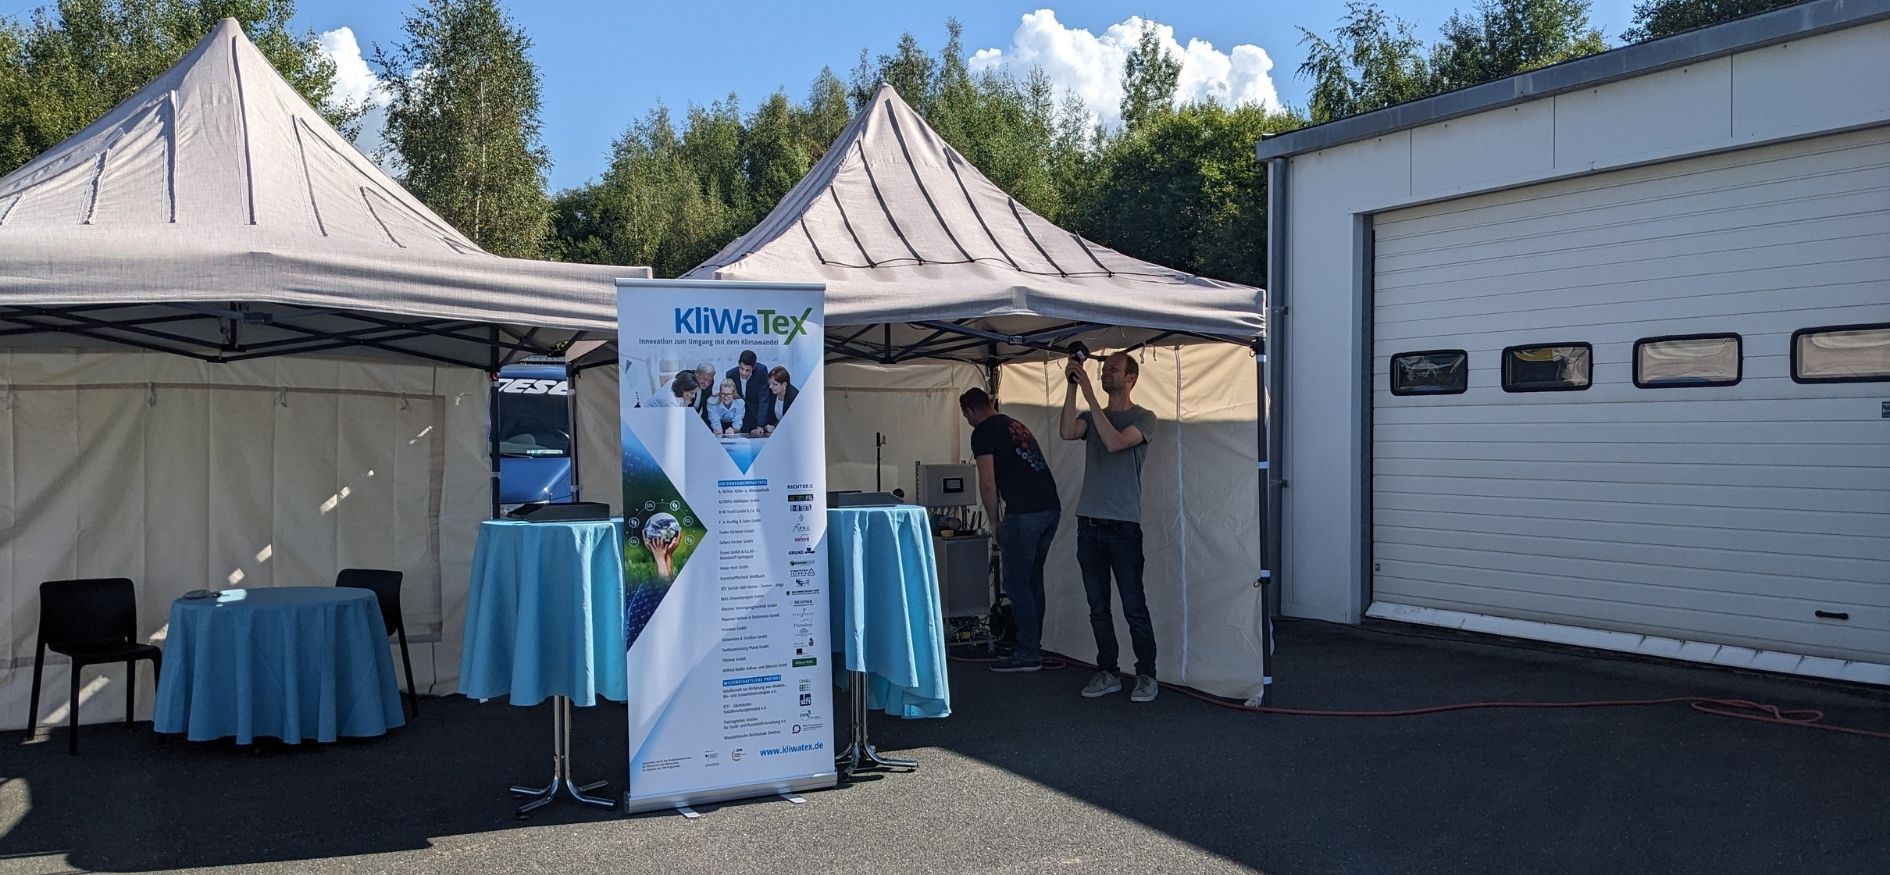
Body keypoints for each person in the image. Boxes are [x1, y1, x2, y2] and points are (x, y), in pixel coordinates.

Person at [1060, 351, 1159, 703]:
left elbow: (1115, 443)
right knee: (1097, 606)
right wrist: (1072, 386)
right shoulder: (1091, 416)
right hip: (1089, 524)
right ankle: (1108, 672)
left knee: (1134, 606)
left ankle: (1147, 674)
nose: (1104, 374)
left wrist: (1088, 392)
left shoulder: (1144, 417)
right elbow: (1066, 431)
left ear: (1131, 378)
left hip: (1123, 527)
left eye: (1113, 369)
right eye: (1102, 370)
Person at [959, 388, 1060, 673]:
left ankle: (1027, 653)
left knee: (1016, 583)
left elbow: (987, 481)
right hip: (1050, 508)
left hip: (1024, 513)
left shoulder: (983, 432)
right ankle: (1032, 647)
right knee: (1033, 580)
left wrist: (993, 522)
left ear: (969, 410)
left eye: (966, 415)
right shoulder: (1014, 424)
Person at [726, 350, 770, 433]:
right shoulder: (730, 375)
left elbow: (763, 399)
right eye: (741, 368)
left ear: (754, 367)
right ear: (738, 364)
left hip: (756, 415)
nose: (743, 373)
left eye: (747, 370)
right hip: (740, 417)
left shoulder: (761, 371)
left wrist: (760, 425)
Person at [757, 365, 798, 435]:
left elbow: (794, 424)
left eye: (775, 384)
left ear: (784, 384)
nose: (770, 386)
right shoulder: (772, 392)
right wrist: (762, 426)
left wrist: (775, 428)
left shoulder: (794, 397)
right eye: (770, 383)